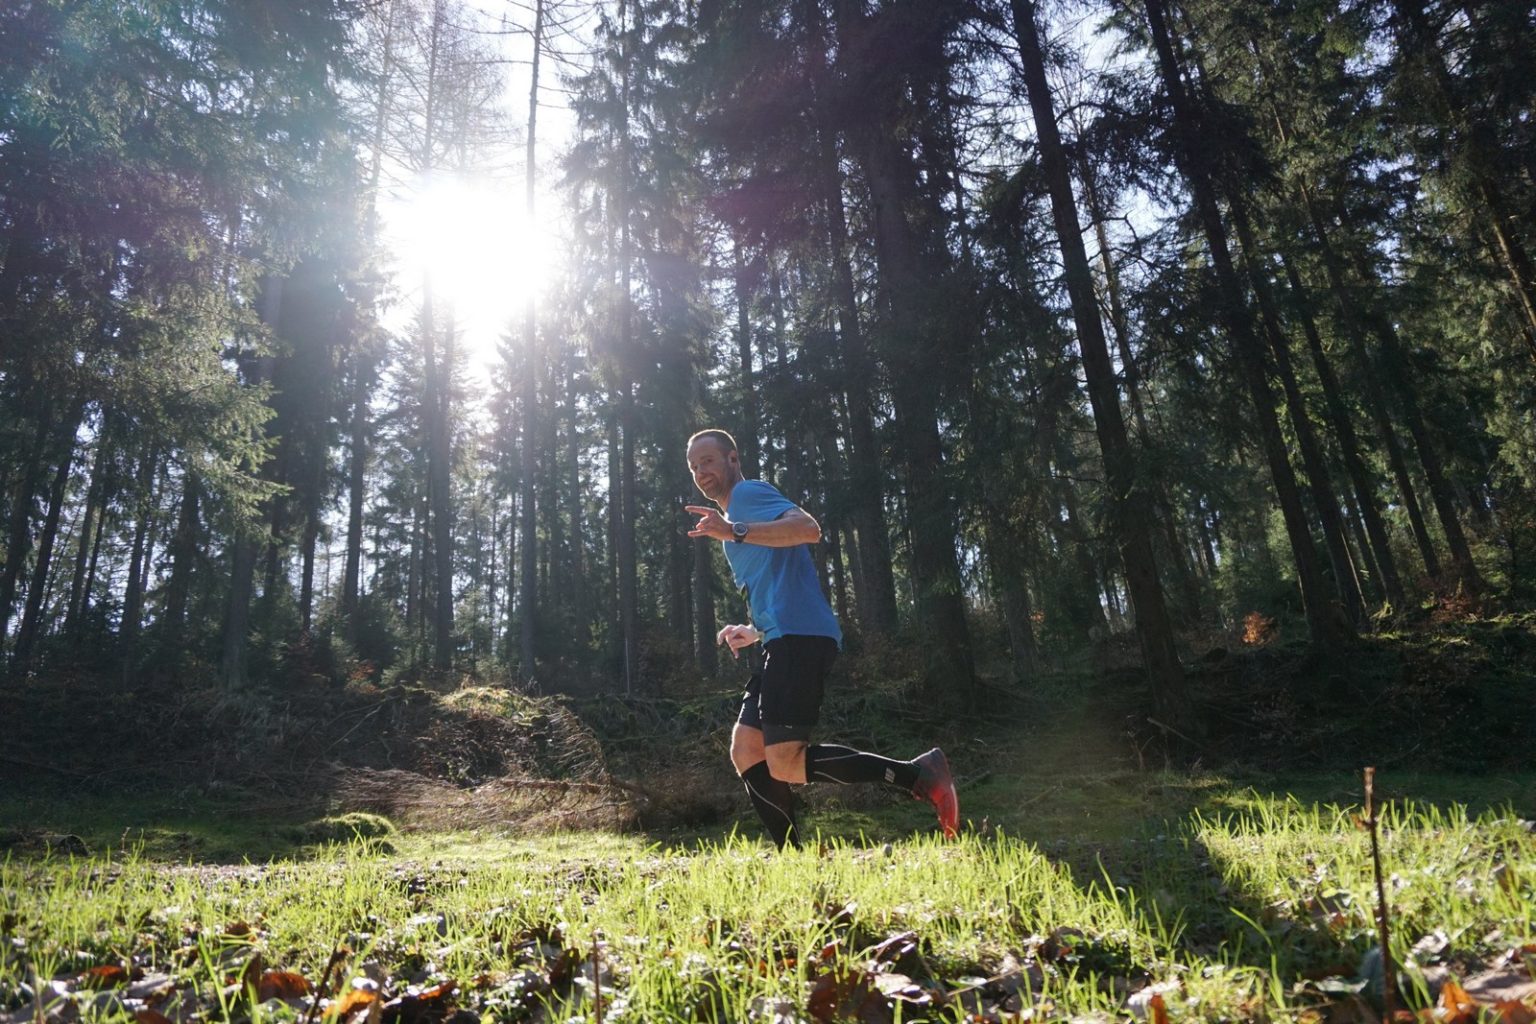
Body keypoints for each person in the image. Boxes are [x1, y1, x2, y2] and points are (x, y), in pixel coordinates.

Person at [684, 428, 959, 848]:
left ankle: (919, 776)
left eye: (708, 460)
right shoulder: (733, 520)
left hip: (801, 638)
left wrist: (734, 530)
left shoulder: (746, 498)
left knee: (786, 762)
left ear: (732, 460)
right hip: (783, 636)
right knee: (747, 750)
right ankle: (793, 857)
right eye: (694, 465)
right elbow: (781, 583)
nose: (701, 470)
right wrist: (753, 630)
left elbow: (807, 529)